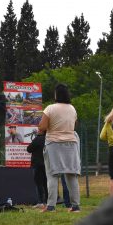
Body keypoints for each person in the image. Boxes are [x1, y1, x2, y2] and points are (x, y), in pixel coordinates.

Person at [38, 83, 81, 213]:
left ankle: (51, 206)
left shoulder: (50, 108)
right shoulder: (72, 109)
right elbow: (74, 124)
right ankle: (75, 206)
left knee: (52, 175)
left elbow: (42, 127)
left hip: (53, 144)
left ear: (56, 94)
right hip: (71, 144)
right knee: (71, 175)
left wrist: (40, 127)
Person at [27, 132, 47, 208]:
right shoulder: (49, 138)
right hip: (47, 164)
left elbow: (29, 149)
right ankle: (47, 201)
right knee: (46, 183)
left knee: (39, 184)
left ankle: (40, 201)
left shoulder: (38, 138)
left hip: (37, 164)